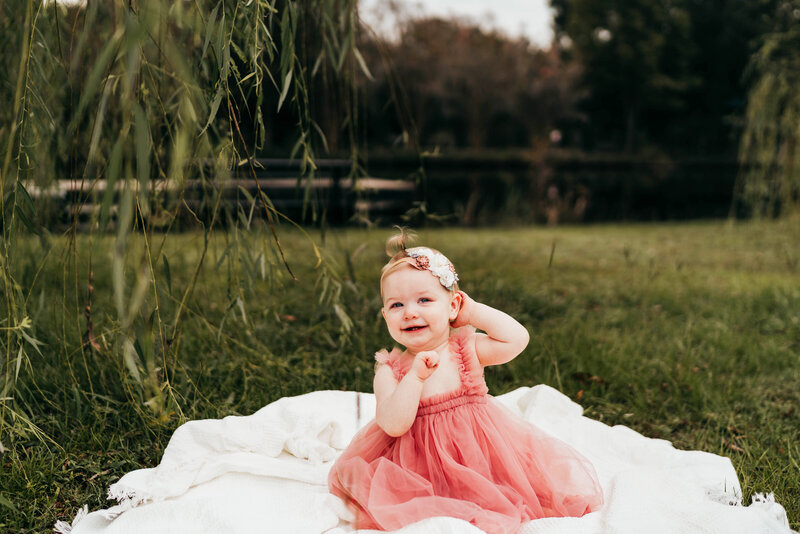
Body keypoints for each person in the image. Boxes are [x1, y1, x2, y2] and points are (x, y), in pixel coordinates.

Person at [328, 231, 604, 533]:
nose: (410, 312)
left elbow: (517, 339)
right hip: (419, 465)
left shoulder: (464, 350)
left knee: (499, 492)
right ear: (385, 315)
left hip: (478, 454)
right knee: (426, 504)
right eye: (396, 305)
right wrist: (415, 378)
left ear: (452, 306)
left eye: (424, 300)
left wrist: (472, 312)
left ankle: (485, 497)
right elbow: (393, 424)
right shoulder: (390, 369)